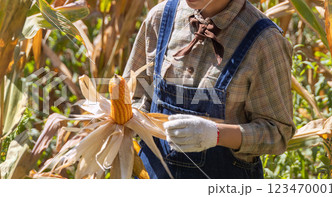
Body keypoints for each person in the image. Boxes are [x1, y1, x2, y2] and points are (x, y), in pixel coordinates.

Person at [122, 0, 296, 179]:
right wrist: (129, 120)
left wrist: (217, 134)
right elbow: (135, 95)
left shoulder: (264, 41)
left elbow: (277, 133)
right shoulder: (160, 18)